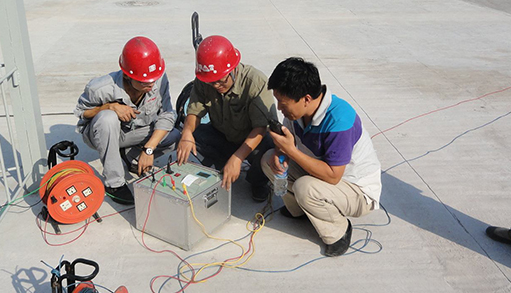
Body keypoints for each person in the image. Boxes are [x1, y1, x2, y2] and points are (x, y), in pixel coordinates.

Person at [261, 57, 382, 256]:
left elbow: (333, 176)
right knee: (268, 160)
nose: (279, 108)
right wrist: (280, 154)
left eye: (283, 103)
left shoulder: (339, 120)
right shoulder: (296, 114)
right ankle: (300, 211)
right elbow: (287, 149)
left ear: (306, 98)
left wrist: (291, 151)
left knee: (305, 188)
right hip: (324, 175)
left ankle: (338, 231)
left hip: (356, 189)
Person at [74, 36, 179, 205]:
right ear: (128, 76)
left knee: (174, 136)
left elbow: (167, 115)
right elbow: (82, 113)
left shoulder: (158, 78)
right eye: (144, 82)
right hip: (103, 134)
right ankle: (114, 183)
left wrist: (149, 150)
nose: (151, 85)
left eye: (153, 80)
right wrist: (107, 107)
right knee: (107, 119)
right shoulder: (100, 88)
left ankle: (133, 158)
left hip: (135, 132)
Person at [176, 35, 277, 202]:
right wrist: (187, 133)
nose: (216, 86)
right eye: (211, 83)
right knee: (193, 136)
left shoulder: (255, 82)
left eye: (220, 82)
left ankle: (257, 181)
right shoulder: (204, 80)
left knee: (269, 149)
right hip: (222, 134)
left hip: (250, 140)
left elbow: (261, 127)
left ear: (232, 69)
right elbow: (194, 111)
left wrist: (238, 158)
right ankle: (223, 165)